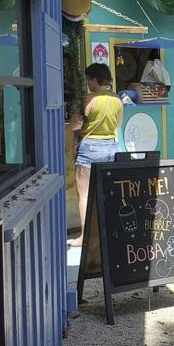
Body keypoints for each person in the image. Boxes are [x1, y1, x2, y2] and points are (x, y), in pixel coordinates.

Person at [68, 63, 123, 247]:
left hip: (90, 148)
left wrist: (73, 125)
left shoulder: (88, 99)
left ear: (93, 79)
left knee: (84, 195)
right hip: (111, 146)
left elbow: (76, 125)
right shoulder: (117, 99)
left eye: (88, 79)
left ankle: (85, 236)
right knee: (107, 192)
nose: (87, 82)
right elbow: (118, 124)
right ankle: (109, 232)